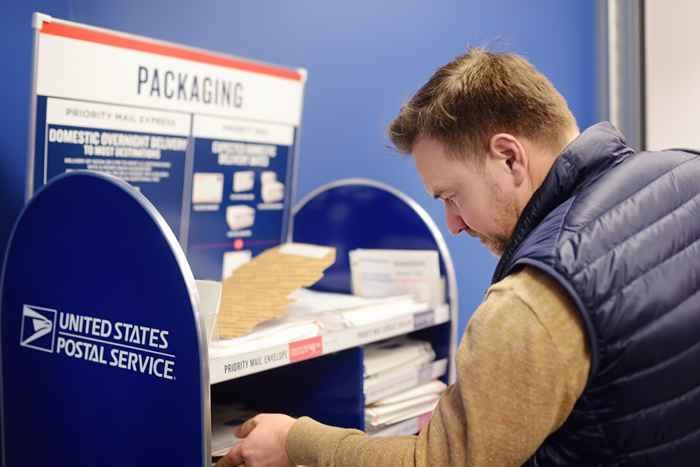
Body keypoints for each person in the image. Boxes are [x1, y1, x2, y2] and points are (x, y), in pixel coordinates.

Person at [216, 48, 700, 467]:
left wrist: (296, 440)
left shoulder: (533, 301)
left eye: (451, 195)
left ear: (509, 158)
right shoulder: (685, 175)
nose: (454, 223)